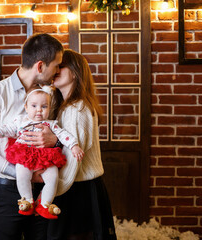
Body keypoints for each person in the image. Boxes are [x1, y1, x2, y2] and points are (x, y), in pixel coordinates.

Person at [0, 33, 63, 240]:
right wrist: (22, 174)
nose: (58, 71)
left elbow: (60, 134)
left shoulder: (50, 96)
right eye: (56, 65)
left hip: (44, 192)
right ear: (40, 66)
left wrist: (55, 140)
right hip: (8, 194)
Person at [47, 49, 117, 240]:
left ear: (76, 72)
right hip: (74, 187)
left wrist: (54, 190)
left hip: (77, 189)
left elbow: (73, 159)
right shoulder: (64, 106)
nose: (56, 70)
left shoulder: (77, 109)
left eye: (62, 66)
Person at [0, 86, 84, 220]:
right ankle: (27, 200)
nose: (39, 110)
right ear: (26, 107)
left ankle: (45, 204)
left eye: (44, 107)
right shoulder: (21, 121)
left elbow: (63, 135)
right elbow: (9, 129)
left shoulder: (51, 124)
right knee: (22, 174)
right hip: (25, 155)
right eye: (34, 106)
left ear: (49, 109)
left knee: (53, 177)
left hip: (45, 156)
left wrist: (74, 146)